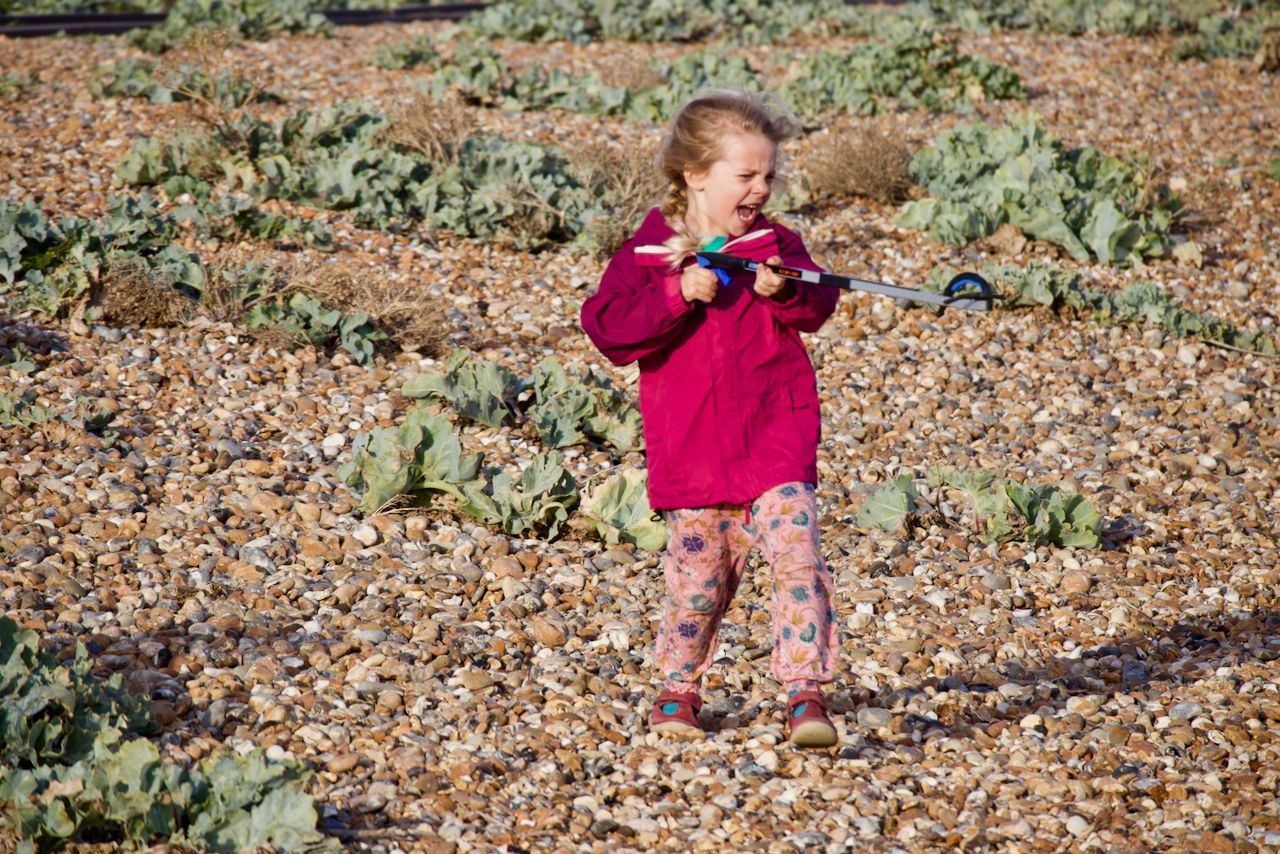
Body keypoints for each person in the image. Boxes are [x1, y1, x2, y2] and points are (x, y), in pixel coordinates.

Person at [580, 90, 842, 748]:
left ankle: (805, 693)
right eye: (746, 176)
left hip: (774, 440)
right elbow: (608, 329)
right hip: (693, 454)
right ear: (695, 175)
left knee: (798, 558)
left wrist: (788, 289)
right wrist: (677, 293)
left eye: (769, 176)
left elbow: (819, 301)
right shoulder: (648, 255)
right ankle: (678, 688)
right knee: (700, 585)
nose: (760, 189)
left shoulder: (777, 246)